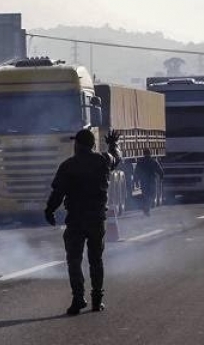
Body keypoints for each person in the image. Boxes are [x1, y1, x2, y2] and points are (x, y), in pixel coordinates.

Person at [44, 128, 122, 315]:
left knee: (74, 260)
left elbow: (57, 193)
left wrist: (49, 210)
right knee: (96, 260)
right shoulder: (103, 160)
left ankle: (78, 298)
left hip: (76, 220)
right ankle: (97, 299)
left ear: (77, 145)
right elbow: (116, 157)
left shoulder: (68, 166)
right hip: (96, 219)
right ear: (93, 144)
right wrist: (113, 144)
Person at [134, 148, 164, 216]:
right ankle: (147, 208)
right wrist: (161, 178)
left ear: (143, 154)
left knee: (145, 195)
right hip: (151, 181)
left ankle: (145, 208)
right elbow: (160, 171)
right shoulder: (153, 161)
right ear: (150, 153)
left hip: (143, 181)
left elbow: (136, 172)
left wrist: (136, 181)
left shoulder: (140, 162)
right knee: (152, 195)